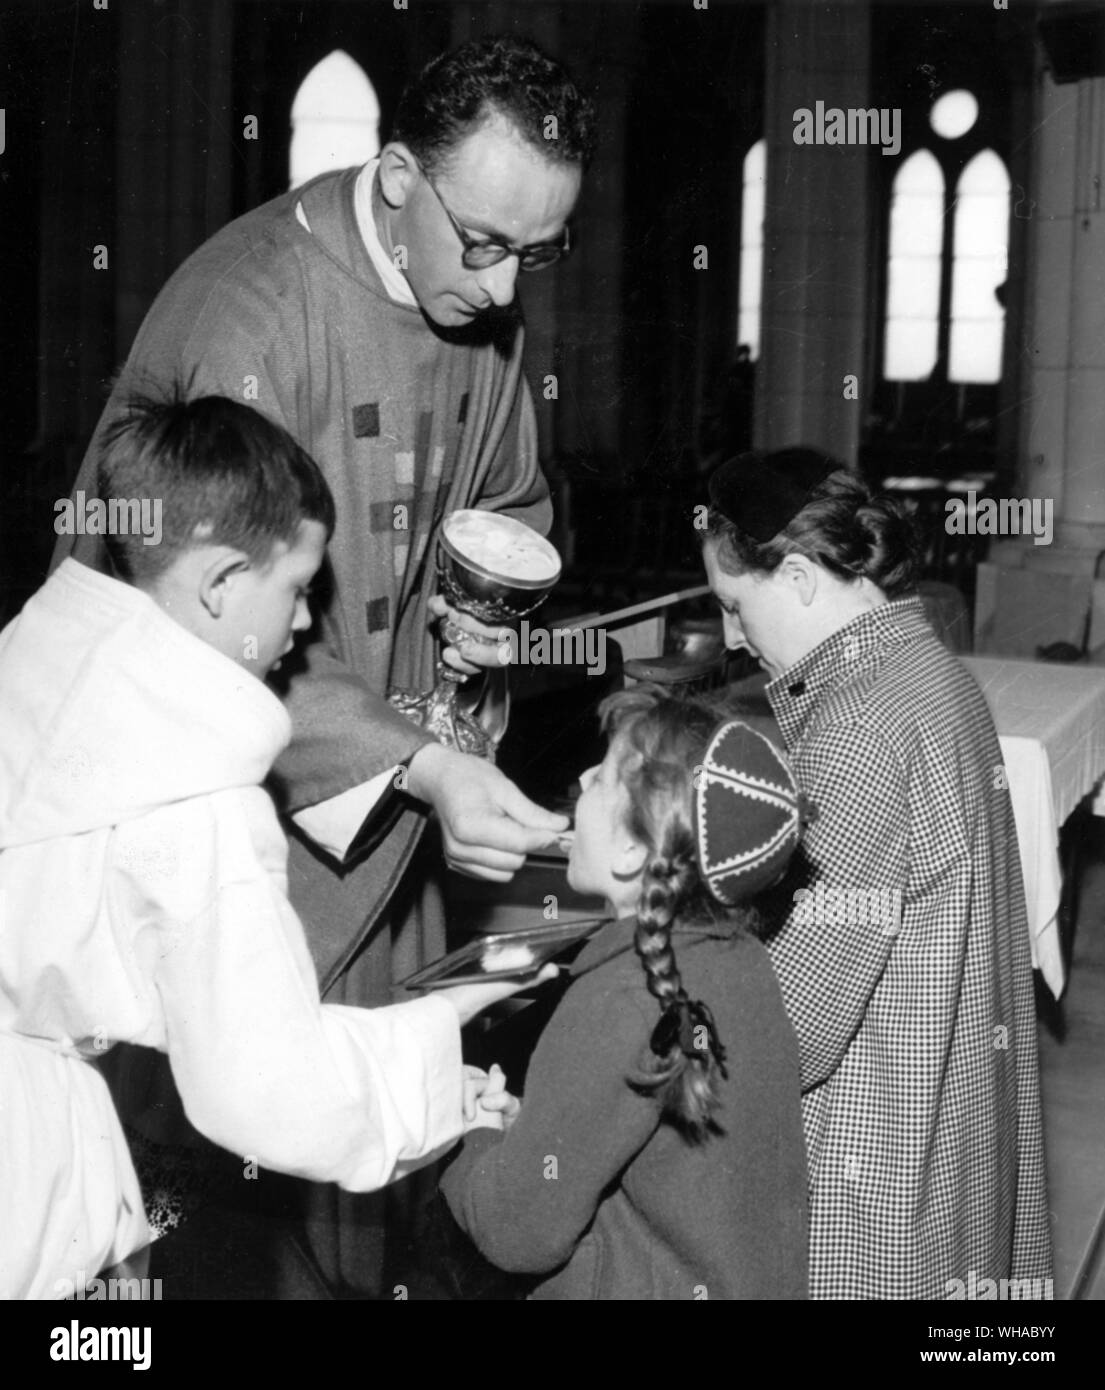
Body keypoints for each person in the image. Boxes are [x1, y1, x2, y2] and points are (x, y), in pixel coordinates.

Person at [50, 35, 593, 1291]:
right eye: (489, 244)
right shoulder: (248, 312)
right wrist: (419, 765)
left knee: (364, 1176)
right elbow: (196, 633)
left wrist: (491, 619)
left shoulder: (479, 301)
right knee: (225, 1175)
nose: (510, 295)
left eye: (541, 252)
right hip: (235, 811)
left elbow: (513, 499)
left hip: (393, 819)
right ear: (396, 173)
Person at [0, 395, 553, 1300]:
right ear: (220, 584)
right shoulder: (195, 795)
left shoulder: (36, 658)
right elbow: (268, 1089)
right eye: (296, 589)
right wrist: (441, 1090)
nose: (302, 627)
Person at [701, 448, 1052, 1300]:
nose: (731, 638)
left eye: (733, 606)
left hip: (876, 1170)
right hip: (949, 1125)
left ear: (797, 576)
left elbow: (793, 1030)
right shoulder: (932, 674)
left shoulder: (853, 730)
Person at [441, 687, 809, 1300]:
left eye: (604, 776)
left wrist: (473, 1136)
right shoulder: (740, 962)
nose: (583, 776)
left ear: (633, 849)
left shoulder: (620, 996)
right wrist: (531, 1135)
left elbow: (516, 1230)